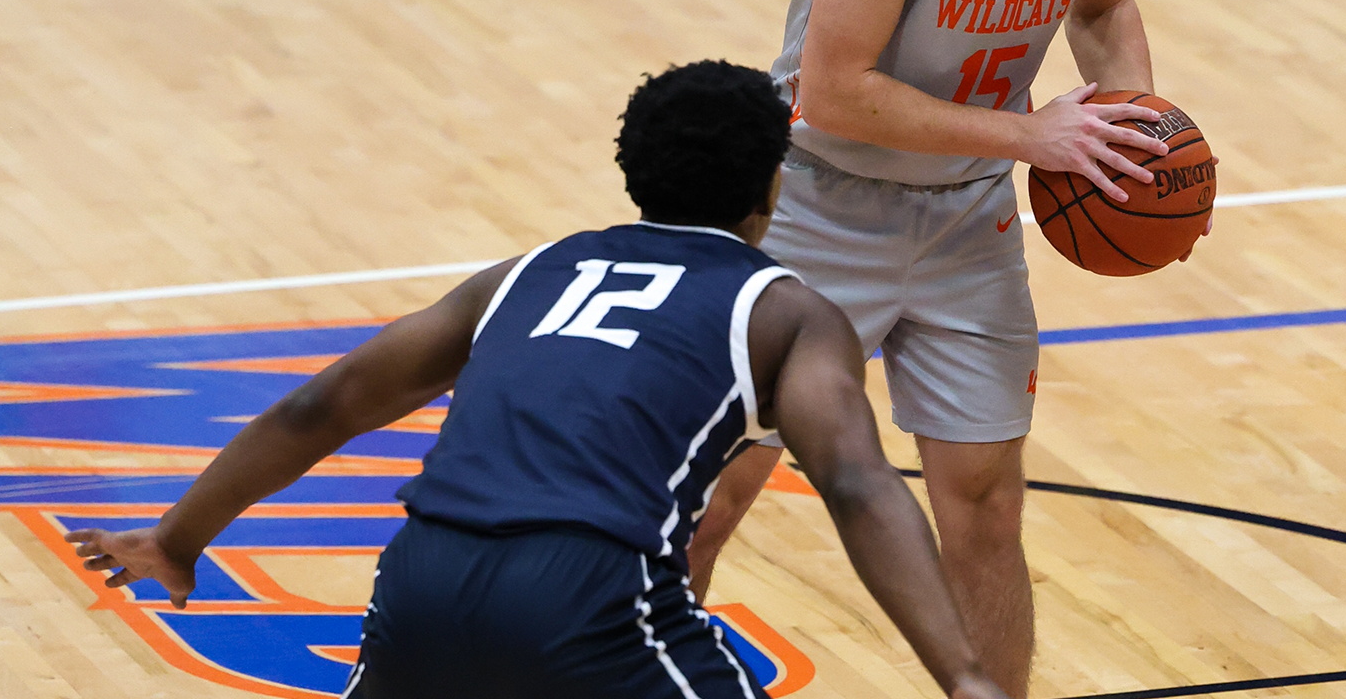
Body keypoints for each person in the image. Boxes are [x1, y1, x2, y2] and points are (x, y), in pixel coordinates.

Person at [64, 61, 1011, 699]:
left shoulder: (524, 274)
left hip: (421, 579)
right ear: (774, 185)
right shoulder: (783, 310)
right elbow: (853, 480)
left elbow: (323, 404)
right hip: (587, 588)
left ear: (632, 171)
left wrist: (179, 539)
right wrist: (963, 675)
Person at [683, 0, 1204, 697]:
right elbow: (835, 90)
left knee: (984, 501)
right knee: (719, 490)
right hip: (818, 211)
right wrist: (1033, 136)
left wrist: (1132, 132)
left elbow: (1101, 6)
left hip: (966, 220)